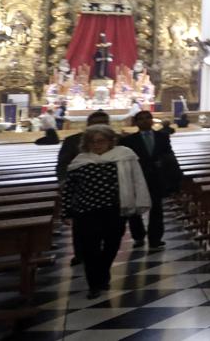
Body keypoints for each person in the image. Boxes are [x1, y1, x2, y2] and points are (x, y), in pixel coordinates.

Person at [62, 124, 150, 298]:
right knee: (89, 248)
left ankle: (103, 270)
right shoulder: (80, 161)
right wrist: (66, 212)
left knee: (112, 244)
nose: (96, 145)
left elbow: (136, 180)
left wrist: (137, 202)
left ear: (111, 141)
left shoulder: (123, 156)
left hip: (114, 210)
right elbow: (69, 188)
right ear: (86, 143)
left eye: (101, 141)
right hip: (86, 212)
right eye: (92, 142)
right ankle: (94, 284)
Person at [58, 110, 111, 266]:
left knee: (108, 226)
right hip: (81, 190)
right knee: (81, 225)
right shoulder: (72, 141)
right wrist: (63, 182)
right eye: (96, 123)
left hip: (109, 191)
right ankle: (80, 253)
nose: (99, 126)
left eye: (103, 123)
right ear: (88, 125)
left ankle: (103, 253)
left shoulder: (116, 142)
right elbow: (63, 164)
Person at [120, 110, 178, 248]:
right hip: (137, 177)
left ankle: (155, 238)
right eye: (141, 119)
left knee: (157, 208)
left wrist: (163, 163)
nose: (145, 121)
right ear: (136, 122)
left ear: (152, 120)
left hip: (156, 177)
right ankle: (138, 236)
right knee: (134, 209)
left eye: (147, 118)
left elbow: (168, 154)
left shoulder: (162, 136)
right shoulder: (128, 140)